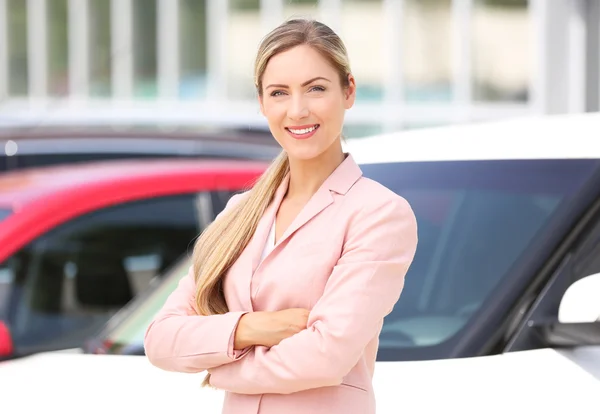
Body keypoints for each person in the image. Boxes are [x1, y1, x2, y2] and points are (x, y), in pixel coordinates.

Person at [144, 18, 418, 414]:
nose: (297, 110)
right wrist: (251, 328)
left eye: (316, 89)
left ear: (349, 90)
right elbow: (161, 338)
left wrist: (221, 369)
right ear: (261, 102)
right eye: (279, 93)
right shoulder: (241, 212)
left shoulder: (378, 214)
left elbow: (326, 355)